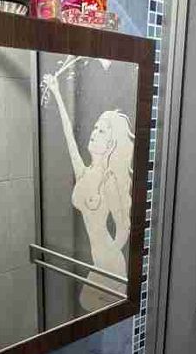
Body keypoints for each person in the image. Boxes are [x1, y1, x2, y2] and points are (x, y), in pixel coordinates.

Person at [43, 73, 134, 311]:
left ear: (111, 144)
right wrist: (57, 92)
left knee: (93, 310)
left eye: (102, 131)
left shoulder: (109, 181)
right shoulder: (84, 173)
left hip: (110, 265)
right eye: (95, 127)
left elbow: (124, 228)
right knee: (92, 312)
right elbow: (68, 136)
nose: (94, 132)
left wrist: (108, 256)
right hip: (100, 262)